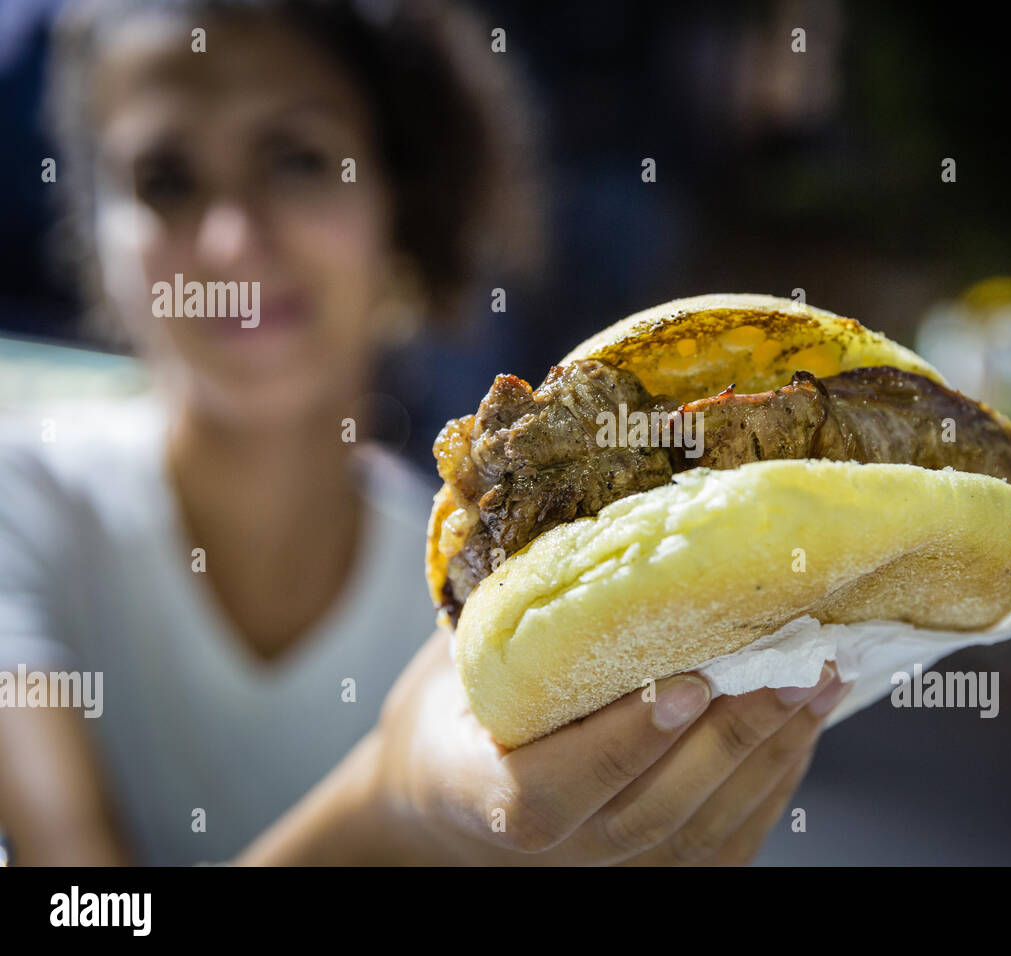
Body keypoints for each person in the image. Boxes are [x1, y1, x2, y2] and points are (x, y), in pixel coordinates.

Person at [0, 0, 853, 866]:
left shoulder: (494, 597)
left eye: (295, 160)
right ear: (93, 226)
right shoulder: (17, 505)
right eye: (166, 180)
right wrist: (390, 810)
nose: (230, 241)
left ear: (402, 202)